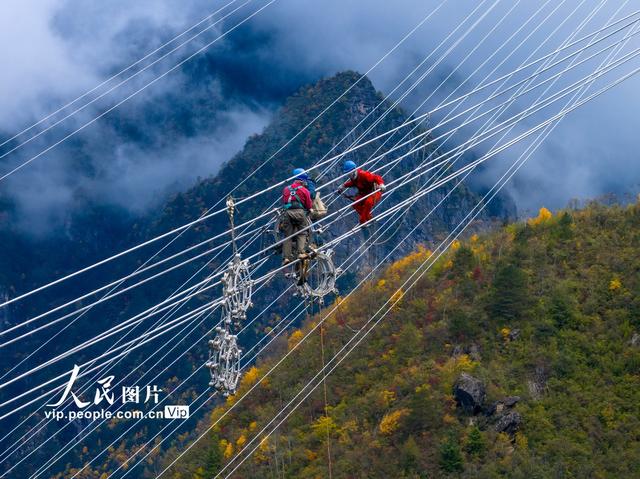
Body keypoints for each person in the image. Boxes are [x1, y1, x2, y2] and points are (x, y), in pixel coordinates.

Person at [281, 169, 313, 265]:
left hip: (287, 213)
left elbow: (284, 201)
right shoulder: (305, 190)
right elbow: (308, 205)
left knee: (288, 236)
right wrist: (309, 209)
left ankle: (286, 258)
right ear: (302, 181)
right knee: (302, 232)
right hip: (299, 212)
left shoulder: (286, 189)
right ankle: (301, 253)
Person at [338, 160, 386, 225]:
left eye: (349, 172)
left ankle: (362, 221)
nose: (348, 175)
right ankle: (369, 218)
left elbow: (376, 177)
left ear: (354, 170)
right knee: (355, 204)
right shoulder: (354, 177)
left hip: (374, 192)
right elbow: (354, 183)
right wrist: (344, 186)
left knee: (368, 202)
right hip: (365, 193)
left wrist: (381, 184)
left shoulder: (364, 175)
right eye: (347, 173)